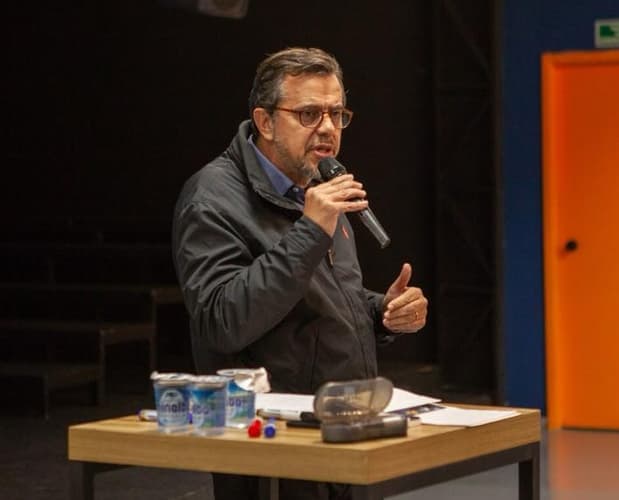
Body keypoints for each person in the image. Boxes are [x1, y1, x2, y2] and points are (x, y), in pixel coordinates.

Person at [171, 47, 428, 499]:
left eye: (337, 114)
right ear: (265, 121)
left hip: (344, 435)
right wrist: (311, 230)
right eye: (309, 113)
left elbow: (317, 298)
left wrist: (380, 312)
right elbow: (221, 321)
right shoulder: (211, 199)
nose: (328, 128)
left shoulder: (317, 187)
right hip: (274, 453)